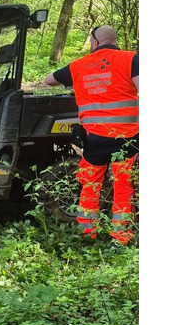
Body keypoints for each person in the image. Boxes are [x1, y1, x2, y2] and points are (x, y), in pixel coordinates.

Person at [43, 24, 139, 244]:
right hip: (126, 137)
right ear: (115, 40)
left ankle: (87, 234)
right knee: (124, 186)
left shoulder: (79, 65)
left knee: (91, 184)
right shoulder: (131, 59)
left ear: (95, 43)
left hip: (94, 138)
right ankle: (121, 238)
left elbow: (49, 80)